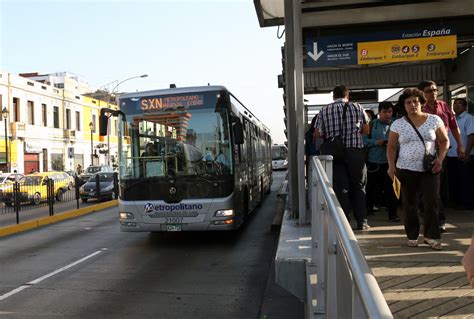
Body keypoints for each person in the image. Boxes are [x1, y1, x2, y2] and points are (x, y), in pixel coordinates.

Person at [387, 88, 449, 250]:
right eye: (408, 102)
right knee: (409, 203)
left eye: (415, 101)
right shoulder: (398, 124)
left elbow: (444, 141)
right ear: (404, 106)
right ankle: (412, 235)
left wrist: (440, 159)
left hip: (430, 168)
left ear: (422, 103)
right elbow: (392, 147)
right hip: (405, 168)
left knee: (431, 202)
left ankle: (431, 236)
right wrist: (391, 166)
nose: (412, 104)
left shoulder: (434, 120)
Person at [314, 85, 370, 231]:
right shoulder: (358, 107)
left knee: (341, 188)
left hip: (335, 153)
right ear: (347, 95)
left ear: (333, 96)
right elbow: (366, 130)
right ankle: (362, 222)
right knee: (359, 186)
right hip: (355, 151)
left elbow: (318, 133)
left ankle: (344, 222)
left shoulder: (324, 110)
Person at [418, 81, 464, 232]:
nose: (433, 93)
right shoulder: (417, 108)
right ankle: (426, 214)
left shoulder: (444, 106)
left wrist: (460, 145)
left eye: (435, 90)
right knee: (423, 186)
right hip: (422, 151)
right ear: (421, 92)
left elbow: (453, 126)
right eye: (429, 91)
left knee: (438, 186)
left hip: (441, 150)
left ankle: (439, 218)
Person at [363, 102, 399, 222]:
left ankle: (393, 214)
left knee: (391, 189)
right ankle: (368, 209)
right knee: (371, 188)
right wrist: (376, 142)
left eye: (390, 112)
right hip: (373, 162)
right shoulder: (371, 124)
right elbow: (363, 140)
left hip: (391, 163)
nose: (387, 114)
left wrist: (393, 144)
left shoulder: (397, 125)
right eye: (384, 112)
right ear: (379, 112)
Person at [446, 98, 474, 209]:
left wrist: (467, 153)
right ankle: (456, 203)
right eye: (454, 103)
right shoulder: (452, 119)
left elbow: (472, 136)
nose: (456, 105)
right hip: (452, 154)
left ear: (465, 107)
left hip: (465, 155)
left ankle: (468, 204)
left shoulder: (469, 118)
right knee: (454, 180)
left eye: (459, 104)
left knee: (466, 181)